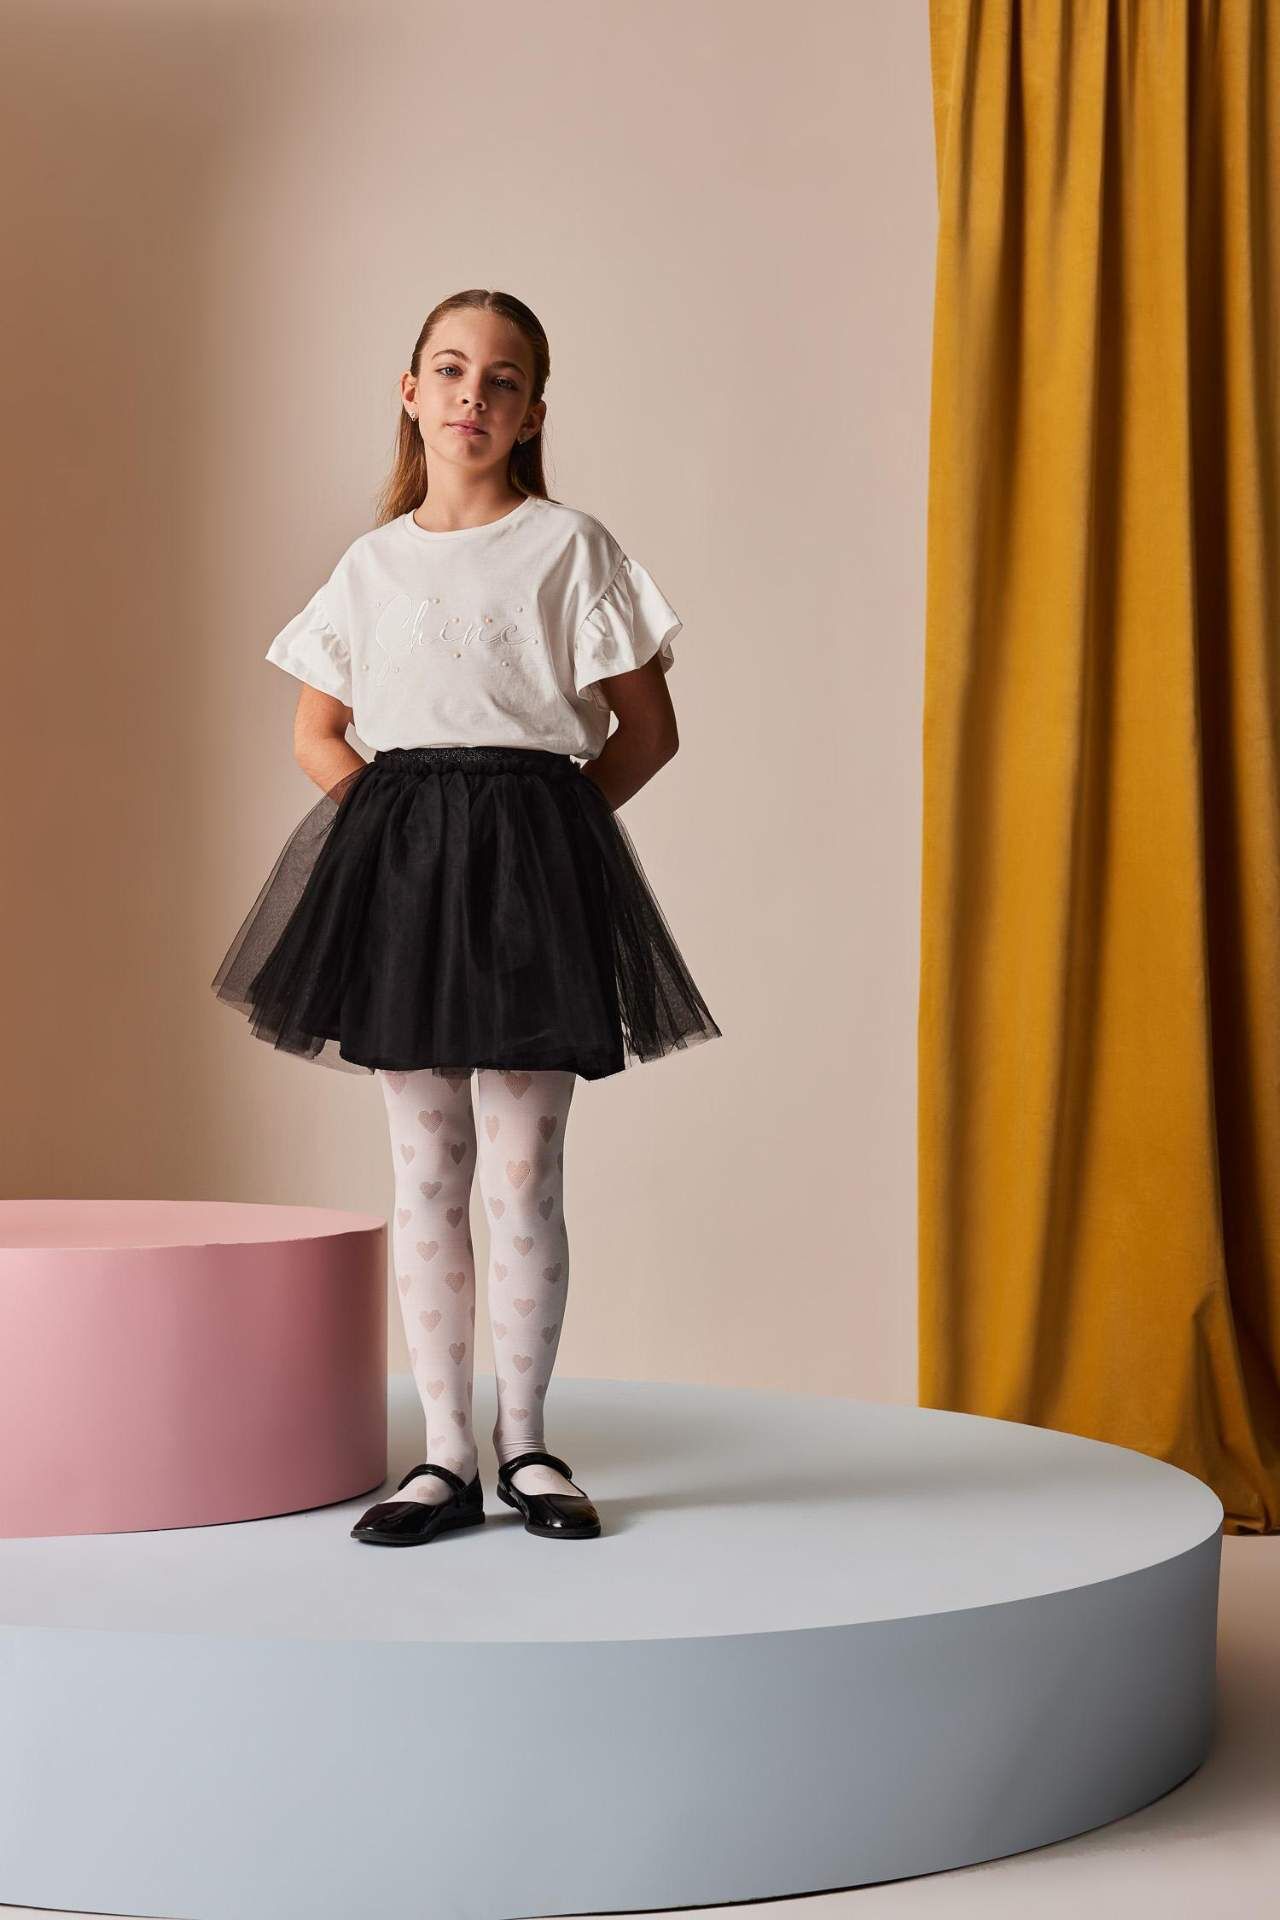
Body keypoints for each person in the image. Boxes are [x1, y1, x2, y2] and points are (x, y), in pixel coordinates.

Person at [211, 289, 721, 1548]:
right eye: (449, 371)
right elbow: (318, 733)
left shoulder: (569, 547)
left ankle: (525, 1445)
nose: (472, 396)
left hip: (532, 885)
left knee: (524, 1173)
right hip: (407, 887)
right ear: (410, 393)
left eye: (501, 379)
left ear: (533, 411)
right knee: (425, 1170)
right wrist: (407, 836)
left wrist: (543, 836)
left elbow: (645, 729)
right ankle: (441, 1455)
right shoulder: (370, 565)